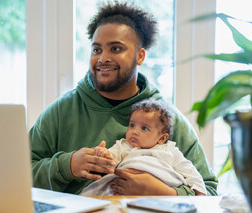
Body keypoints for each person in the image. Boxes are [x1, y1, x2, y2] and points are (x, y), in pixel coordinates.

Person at [29, 1, 218, 196]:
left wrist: (164, 192)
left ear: (140, 56)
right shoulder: (61, 112)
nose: (103, 58)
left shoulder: (165, 120)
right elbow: (17, 175)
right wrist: (67, 166)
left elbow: (210, 193)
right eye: (96, 50)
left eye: (116, 49)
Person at [80, 99, 207, 196]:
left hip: (160, 194)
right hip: (122, 192)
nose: (135, 131)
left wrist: (199, 193)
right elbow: (110, 163)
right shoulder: (123, 145)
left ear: (162, 138)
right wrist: (103, 154)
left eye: (144, 128)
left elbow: (190, 171)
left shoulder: (170, 150)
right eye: (132, 125)